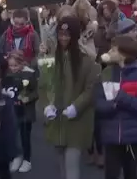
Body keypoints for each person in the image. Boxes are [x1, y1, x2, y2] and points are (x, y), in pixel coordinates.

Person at [42, 16, 100, 179]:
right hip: (57, 118)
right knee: (60, 164)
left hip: (77, 119)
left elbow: (91, 88)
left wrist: (76, 106)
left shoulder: (87, 60)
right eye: (60, 34)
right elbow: (45, 84)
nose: (63, 38)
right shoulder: (51, 57)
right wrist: (47, 104)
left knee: (71, 164)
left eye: (67, 35)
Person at [97, 35, 137, 179]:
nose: (109, 52)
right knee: (110, 174)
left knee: (131, 173)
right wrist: (112, 106)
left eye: (114, 49)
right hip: (110, 134)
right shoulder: (107, 73)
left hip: (132, 136)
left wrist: (125, 99)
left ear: (123, 54)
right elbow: (98, 101)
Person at [5, 51, 38, 173]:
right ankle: (16, 157)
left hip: (25, 111)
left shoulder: (29, 74)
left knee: (25, 136)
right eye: (11, 66)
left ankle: (27, 159)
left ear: (22, 63)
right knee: (13, 136)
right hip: (12, 110)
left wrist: (28, 98)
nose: (13, 68)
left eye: (15, 66)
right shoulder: (8, 75)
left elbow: (36, 92)